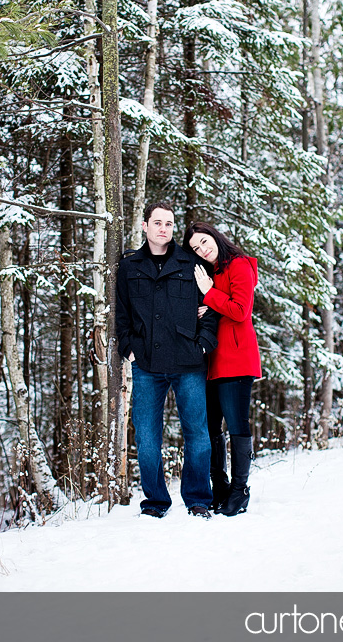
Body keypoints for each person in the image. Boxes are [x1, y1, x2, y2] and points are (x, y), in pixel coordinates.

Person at [116, 202, 218, 519]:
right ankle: (156, 502)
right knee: (146, 436)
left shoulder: (191, 263)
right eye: (157, 223)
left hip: (189, 363)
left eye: (169, 223)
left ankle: (198, 499)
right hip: (147, 364)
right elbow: (121, 314)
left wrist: (203, 344)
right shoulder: (130, 266)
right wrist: (129, 349)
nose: (164, 228)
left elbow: (212, 306)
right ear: (145, 226)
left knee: (198, 434)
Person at [183, 221, 261, 516]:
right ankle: (221, 486)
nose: (202, 249)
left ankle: (240, 491)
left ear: (214, 236)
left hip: (237, 359)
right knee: (212, 427)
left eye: (204, 241)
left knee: (237, 426)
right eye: (196, 248)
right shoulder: (211, 272)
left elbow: (241, 311)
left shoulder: (238, 265)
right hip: (213, 360)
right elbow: (216, 307)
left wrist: (210, 295)